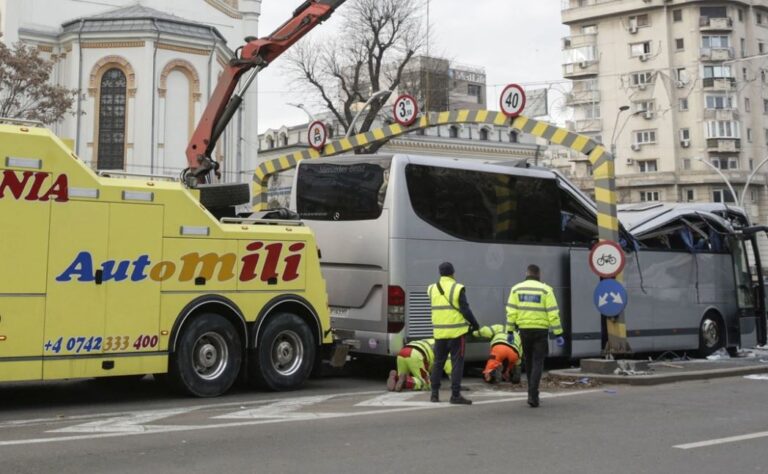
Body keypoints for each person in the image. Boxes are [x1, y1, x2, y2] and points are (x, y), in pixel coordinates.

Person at [506, 264, 564, 408]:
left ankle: (531, 394)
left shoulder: (516, 289)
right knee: (538, 362)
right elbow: (553, 313)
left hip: (524, 330)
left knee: (528, 361)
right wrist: (558, 333)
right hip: (540, 331)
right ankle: (533, 394)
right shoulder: (546, 290)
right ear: (539, 275)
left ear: (527, 274)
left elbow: (511, 312)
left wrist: (509, 331)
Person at [428, 262, 480, 405]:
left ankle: (434, 394)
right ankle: (455, 395)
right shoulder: (457, 288)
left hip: (439, 333)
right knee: (457, 363)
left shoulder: (432, 289)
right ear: (453, 273)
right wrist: (475, 324)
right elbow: (465, 310)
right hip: (457, 333)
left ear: (440, 273)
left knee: (438, 363)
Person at [385, 338, 452, 392]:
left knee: (401, 376)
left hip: (402, 352)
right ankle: (406, 381)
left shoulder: (434, 340)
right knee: (426, 384)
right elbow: (449, 368)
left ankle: (395, 378)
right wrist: (455, 382)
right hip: (416, 354)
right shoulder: (446, 349)